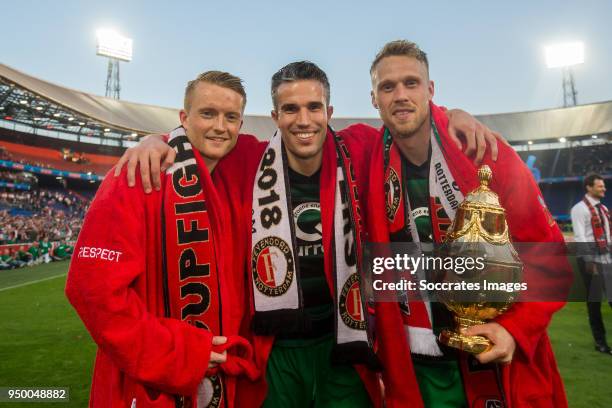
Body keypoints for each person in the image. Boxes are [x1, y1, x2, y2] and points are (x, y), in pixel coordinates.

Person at [115, 61, 504, 407]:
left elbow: (408, 124)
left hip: (343, 345)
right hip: (276, 349)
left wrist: (452, 114)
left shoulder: (358, 147)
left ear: (329, 112)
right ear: (275, 116)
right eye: (290, 109)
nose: (303, 120)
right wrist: (161, 140)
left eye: (314, 107)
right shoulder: (248, 157)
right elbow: (204, 137)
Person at [361, 40, 571, 407]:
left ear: (431, 90)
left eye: (411, 83)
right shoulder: (366, 158)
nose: (400, 95)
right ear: (374, 99)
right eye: (387, 87)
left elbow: (549, 259)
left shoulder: (486, 153)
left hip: (493, 363)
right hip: (416, 369)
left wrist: (513, 329)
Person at [65, 71, 259, 408]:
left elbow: (304, 138)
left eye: (231, 117)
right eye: (207, 113)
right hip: (148, 387)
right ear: (184, 118)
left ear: (241, 125)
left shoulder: (241, 173)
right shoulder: (137, 174)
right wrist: (180, 352)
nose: (220, 126)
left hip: (223, 382)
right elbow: (92, 289)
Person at [571, 173, 612, 355]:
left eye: (603, 186)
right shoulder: (580, 209)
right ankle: (600, 342)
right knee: (594, 303)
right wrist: (589, 261)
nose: (604, 189)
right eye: (600, 186)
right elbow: (580, 236)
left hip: (606, 258)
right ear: (589, 187)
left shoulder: (602, 209)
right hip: (591, 261)